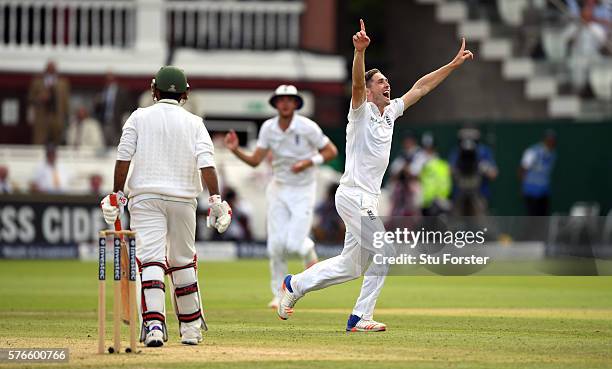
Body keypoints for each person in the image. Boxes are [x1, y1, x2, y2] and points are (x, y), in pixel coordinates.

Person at [276, 19, 473, 332]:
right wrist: (359, 53)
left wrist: (451, 65)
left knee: (351, 266)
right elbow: (356, 84)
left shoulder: (391, 112)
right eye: (380, 82)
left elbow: (421, 87)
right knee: (386, 250)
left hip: (368, 198)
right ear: (368, 92)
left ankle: (294, 285)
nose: (386, 84)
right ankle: (359, 318)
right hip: (353, 195)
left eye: (386, 80)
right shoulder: (360, 111)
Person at [99, 66, 232, 348]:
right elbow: (207, 164)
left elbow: (123, 159)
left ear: (153, 90)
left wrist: (116, 195)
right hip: (184, 199)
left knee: (151, 260)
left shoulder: (139, 116)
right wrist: (216, 200)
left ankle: (155, 326)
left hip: (145, 197)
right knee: (183, 261)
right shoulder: (195, 122)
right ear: (185, 93)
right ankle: (191, 330)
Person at [224, 84, 338, 309]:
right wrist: (235, 150)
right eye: (281, 100)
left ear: (296, 103)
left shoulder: (307, 127)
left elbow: (331, 151)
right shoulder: (268, 128)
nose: (285, 103)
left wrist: (308, 162)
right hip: (278, 188)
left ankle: (307, 249)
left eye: (290, 100)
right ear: (276, 104)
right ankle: (279, 293)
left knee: (295, 243)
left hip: (303, 190)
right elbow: (256, 160)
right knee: (275, 246)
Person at [449, 127, 498, 216]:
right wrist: (457, 170)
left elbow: (494, 174)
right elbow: (449, 172)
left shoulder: (484, 152)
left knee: (481, 224)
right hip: (460, 195)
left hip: (479, 194)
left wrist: (484, 168)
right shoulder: (457, 152)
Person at [27, 61, 70, 145]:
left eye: (53, 68)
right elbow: (30, 99)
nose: (51, 70)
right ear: (46, 69)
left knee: (57, 141)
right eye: (49, 68)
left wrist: (66, 117)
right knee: (39, 141)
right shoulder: (37, 82)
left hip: (57, 117)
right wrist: (40, 98)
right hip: (42, 118)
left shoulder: (63, 83)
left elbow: (65, 102)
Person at [519, 130, 557, 216]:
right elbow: (523, 168)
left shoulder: (553, 153)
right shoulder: (533, 151)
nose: (551, 142)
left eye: (553, 140)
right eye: (549, 140)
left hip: (544, 191)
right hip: (531, 190)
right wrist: (523, 186)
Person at [95, 71, 132, 146]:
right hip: (105, 121)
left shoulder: (121, 91)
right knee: (105, 143)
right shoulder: (103, 90)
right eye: (107, 79)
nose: (108, 81)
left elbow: (126, 106)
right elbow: (99, 107)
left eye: (110, 79)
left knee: (116, 143)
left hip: (116, 121)